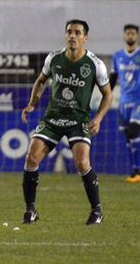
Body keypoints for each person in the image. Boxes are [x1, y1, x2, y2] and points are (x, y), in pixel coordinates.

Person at [21, 19, 113, 226]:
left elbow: (107, 95)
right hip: (53, 117)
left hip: (78, 120)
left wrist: (98, 119)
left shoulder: (95, 64)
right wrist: (31, 104)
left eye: (77, 33)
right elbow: (41, 81)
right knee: (31, 159)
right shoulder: (54, 58)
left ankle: (97, 211)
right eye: (69, 32)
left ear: (85, 38)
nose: (72, 36)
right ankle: (30, 210)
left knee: (81, 162)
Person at [110, 24, 140, 182]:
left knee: (135, 131)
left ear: (137, 36)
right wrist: (106, 95)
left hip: (139, 101)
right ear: (124, 36)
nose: (130, 36)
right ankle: (135, 170)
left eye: (133, 33)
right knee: (129, 137)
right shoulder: (117, 56)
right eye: (128, 33)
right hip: (124, 102)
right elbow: (113, 79)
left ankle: (137, 170)